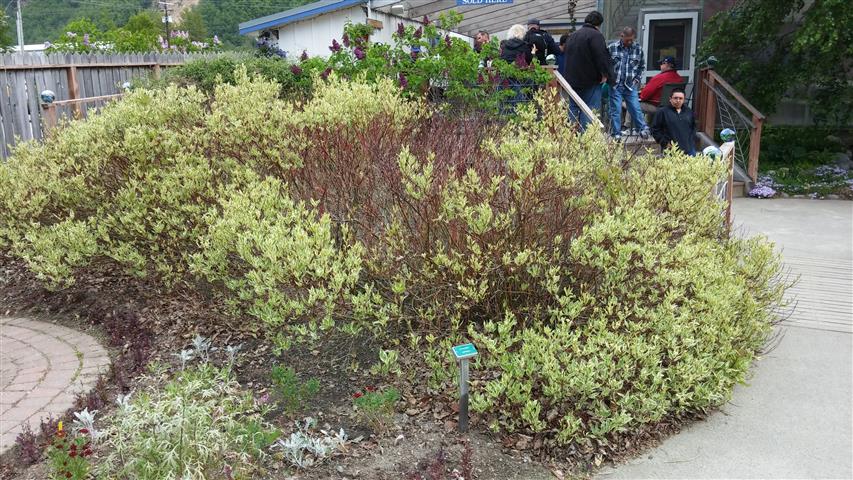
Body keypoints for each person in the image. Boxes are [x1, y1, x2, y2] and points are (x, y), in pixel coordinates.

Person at [562, 11, 614, 130]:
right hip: (590, 80)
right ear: (599, 24)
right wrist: (605, 74)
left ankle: (571, 135)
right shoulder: (596, 36)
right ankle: (585, 137)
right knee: (590, 109)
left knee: (573, 108)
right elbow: (601, 56)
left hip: (572, 80)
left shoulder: (573, 36)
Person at [607, 27, 649, 140]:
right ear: (622, 36)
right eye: (627, 40)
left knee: (635, 107)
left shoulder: (638, 49)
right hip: (615, 84)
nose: (630, 42)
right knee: (616, 109)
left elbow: (642, 66)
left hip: (630, 85)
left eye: (632, 39)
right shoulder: (611, 48)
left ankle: (643, 130)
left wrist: (637, 80)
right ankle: (616, 133)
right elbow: (605, 65)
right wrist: (608, 79)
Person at [651, 87, 696, 155]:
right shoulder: (662, 112)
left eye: (680, 98)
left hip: (689, 150)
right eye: (675, 98)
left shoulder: (689, 112)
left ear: (684, 100)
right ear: (670, 99)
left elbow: (693, 128)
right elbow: (655, 130)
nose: (678, 100)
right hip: (671, 150)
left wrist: (691, 142)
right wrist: (665, 143)